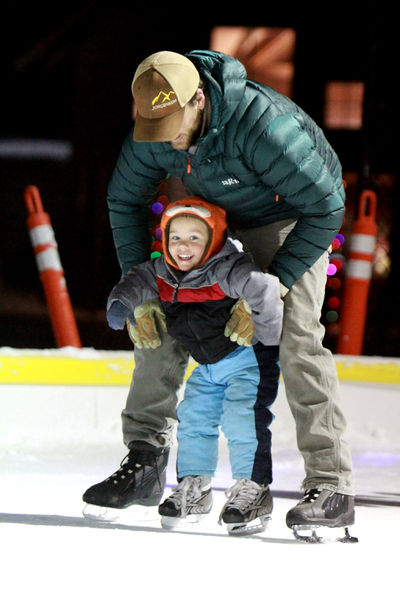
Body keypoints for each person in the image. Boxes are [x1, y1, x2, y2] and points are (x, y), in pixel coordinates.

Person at [83, 49, 355, 536]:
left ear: (199, 99)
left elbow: (326, 207)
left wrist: (276, 286)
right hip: (210, 218)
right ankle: (145, 461)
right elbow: (123, 198)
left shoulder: (263, 126)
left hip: (289, 218)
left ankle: (331, 483)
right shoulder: (154, 128)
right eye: (156, 127)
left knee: (291, 333)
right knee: (160, 311)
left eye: (175, 124)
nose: (168, 138)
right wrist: (140, 288)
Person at [104, 197, 282, 534]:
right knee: (194, 421)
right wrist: (121, 304)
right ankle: (195, 488)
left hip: (247, 362)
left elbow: (265, 287)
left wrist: (269, 343)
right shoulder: (165, 273)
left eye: (194, 238)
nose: (183, 246)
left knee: (242, 420)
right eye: (176, 238)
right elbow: (136, 281)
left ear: (213, 239)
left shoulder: (227, 268)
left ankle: (253, 489)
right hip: (209, 367)